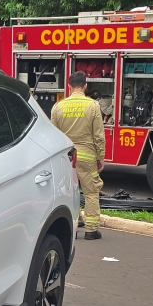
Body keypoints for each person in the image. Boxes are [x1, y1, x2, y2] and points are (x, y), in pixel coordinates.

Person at [50, 71, 105, 240]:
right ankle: (91, 230)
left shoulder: (58, 107)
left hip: (66, 158)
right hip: (87, 156)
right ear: (86, 86)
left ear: (69, 86)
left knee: (68, 193)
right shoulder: (93, 106)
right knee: (91, 192)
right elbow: (98, 135)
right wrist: (100, 156)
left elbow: (53, 135)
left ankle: (71, 227)